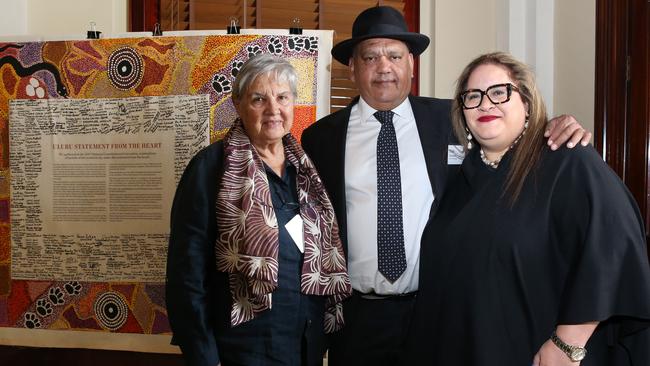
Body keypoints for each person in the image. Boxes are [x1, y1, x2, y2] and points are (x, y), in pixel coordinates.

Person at [301, 6, 592, 366]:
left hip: (440, 309)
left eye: (394, 55)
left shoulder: (454, 119)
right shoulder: (320, 139)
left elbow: (511, 137)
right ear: (353, 68)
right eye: (370, 57)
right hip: (359, 318)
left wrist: (555, 125)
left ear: (411, 63)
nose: (383, 67)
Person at [404, 51, 650, 366]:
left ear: (526, 102)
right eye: (472, 96)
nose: (485, 104)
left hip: (537, 353)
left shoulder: (566, 160)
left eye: (498, 92)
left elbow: (614, 247)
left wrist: (567, 343)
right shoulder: (461, 181)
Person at [166, 53, 352, 366]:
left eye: (282, 97)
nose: (273, 110)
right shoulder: (211, 168)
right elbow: (186, 276)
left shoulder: (306, 171)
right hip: (242, 350)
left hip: (305, 345)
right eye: (258, 99)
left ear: (293, 103)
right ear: (238, 105)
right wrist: (205, 358)